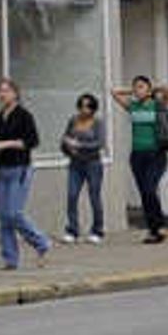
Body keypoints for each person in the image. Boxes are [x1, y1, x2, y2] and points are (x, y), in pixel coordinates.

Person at [0, 75, 53, 268]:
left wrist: (6, 144)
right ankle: (10, 259)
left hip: (20, 167)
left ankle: (41, 242)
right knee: (3, 216)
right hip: (2, 169)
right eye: (0, 91)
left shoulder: (24, 115)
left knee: (14, 213)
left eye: (6, 90)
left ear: (15, 94)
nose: (2, 94)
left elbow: (32, 141)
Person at [124, 75, 168, 243]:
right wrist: (133, 91)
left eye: (141, 86)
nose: (137, 89)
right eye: (135, 87)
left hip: (156, 155)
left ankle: (159, 226)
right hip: (137, 156)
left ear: (148, 90)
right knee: (145, 194)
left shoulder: (157, 105)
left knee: (149, 189)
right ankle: (153, 230)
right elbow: (114, 92)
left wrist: (150, 89)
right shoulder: (132, 106)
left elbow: (167, 90)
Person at [59, 90, 109, 242]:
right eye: (81, 106)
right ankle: (72, 230)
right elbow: (65, 137)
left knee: (94, 196)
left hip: (93, 163)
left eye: (87, 107)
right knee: (72, 195)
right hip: (75, 163)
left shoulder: (98, 122)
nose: (84, 110)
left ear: (93, 108)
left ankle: (97, 230)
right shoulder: (73, 120)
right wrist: (67, 147)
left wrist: (79, 145)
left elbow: (99, 143)